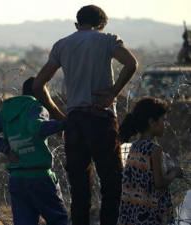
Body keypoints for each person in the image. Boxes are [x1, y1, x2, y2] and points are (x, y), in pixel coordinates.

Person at [32, 5, 138, 225]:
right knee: (111, 185)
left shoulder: (62, 45)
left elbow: (38, 84)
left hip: (75, 123)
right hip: (101, 119)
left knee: (80, 191)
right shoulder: (107, 38)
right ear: (102, 25)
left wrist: (59, 116)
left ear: (76, 24)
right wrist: (112, 93)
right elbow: (131, 63)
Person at [0, 77, 68, 225]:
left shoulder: (7, 110)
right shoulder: (36, 107)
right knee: (58, 219)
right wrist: (61, 125)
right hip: (39, 175)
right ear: (42, 92)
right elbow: (36, 127)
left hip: (17, 177)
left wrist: (5, 148)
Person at [118, 97, 183, 224]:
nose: (166, 124)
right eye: (163, 120)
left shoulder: (134, 147)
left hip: (135, 212)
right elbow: (159, 182)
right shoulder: (154, 149)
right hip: (151, 215)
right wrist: (175, 173)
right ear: (152, 122)